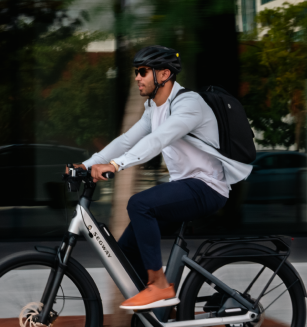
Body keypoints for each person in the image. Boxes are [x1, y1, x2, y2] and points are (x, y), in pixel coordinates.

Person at [71, 45, 252, 310]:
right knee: (126, 251)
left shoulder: (189, 104)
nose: (137, 77)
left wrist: (115, 165)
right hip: (184, 187)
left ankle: (159, 286)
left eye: (143, 71)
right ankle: (159, 317)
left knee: (139, 204)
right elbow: (127, 140)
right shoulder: (153, 108)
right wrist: (87, 165)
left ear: (164, 74)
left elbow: (157, 140)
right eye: (136, 72)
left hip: (208, 187)